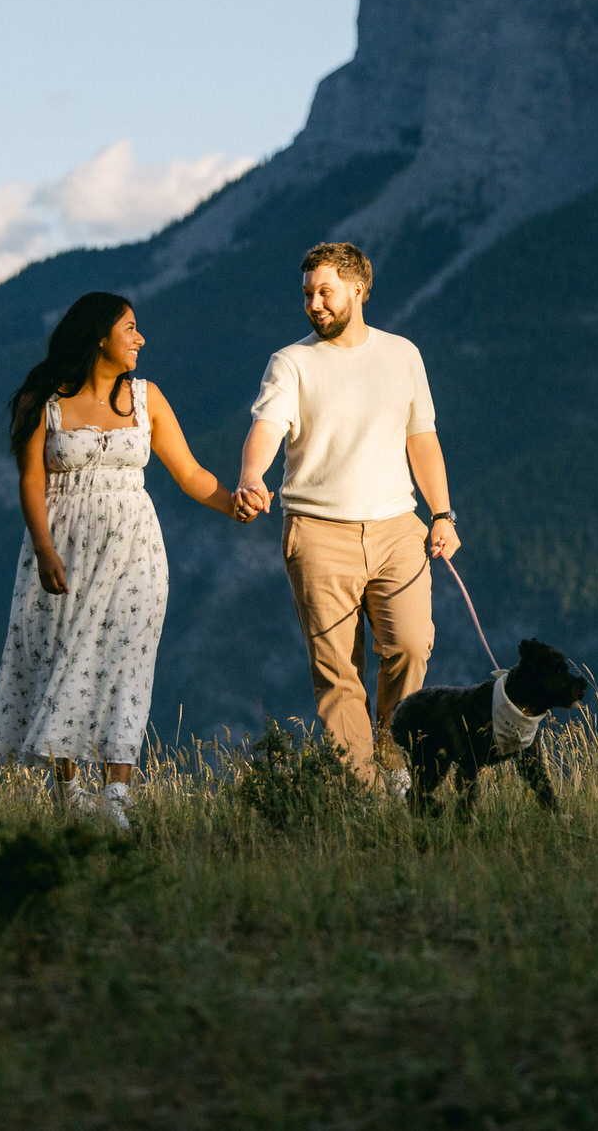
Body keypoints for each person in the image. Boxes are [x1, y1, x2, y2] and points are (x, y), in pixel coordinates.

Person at [0, 292, 255, 830]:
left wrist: (234, 503)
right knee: (62, 659)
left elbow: (190, 473)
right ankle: (71, 789)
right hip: (63, 546)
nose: (140, 338)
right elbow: (31, 479)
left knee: (127, 662)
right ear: (99, 336)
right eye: (130, 328)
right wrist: (43, 548)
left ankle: (116, 795)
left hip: (136, 549)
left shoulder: (146, 396)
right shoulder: (43, 399)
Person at [237, 242, 459, 789]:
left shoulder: (402, 355)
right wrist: (250, 477)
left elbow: (422, 439)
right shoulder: (291, 362)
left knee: (410, 643)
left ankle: (394, 759)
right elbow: (267, 428)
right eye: (308, 293)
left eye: (325, 292)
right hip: (317, 534)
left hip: (396, 529)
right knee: (338, 673)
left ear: (358, 290)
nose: (314, 303)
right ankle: (363, 791)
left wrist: (442, 514)